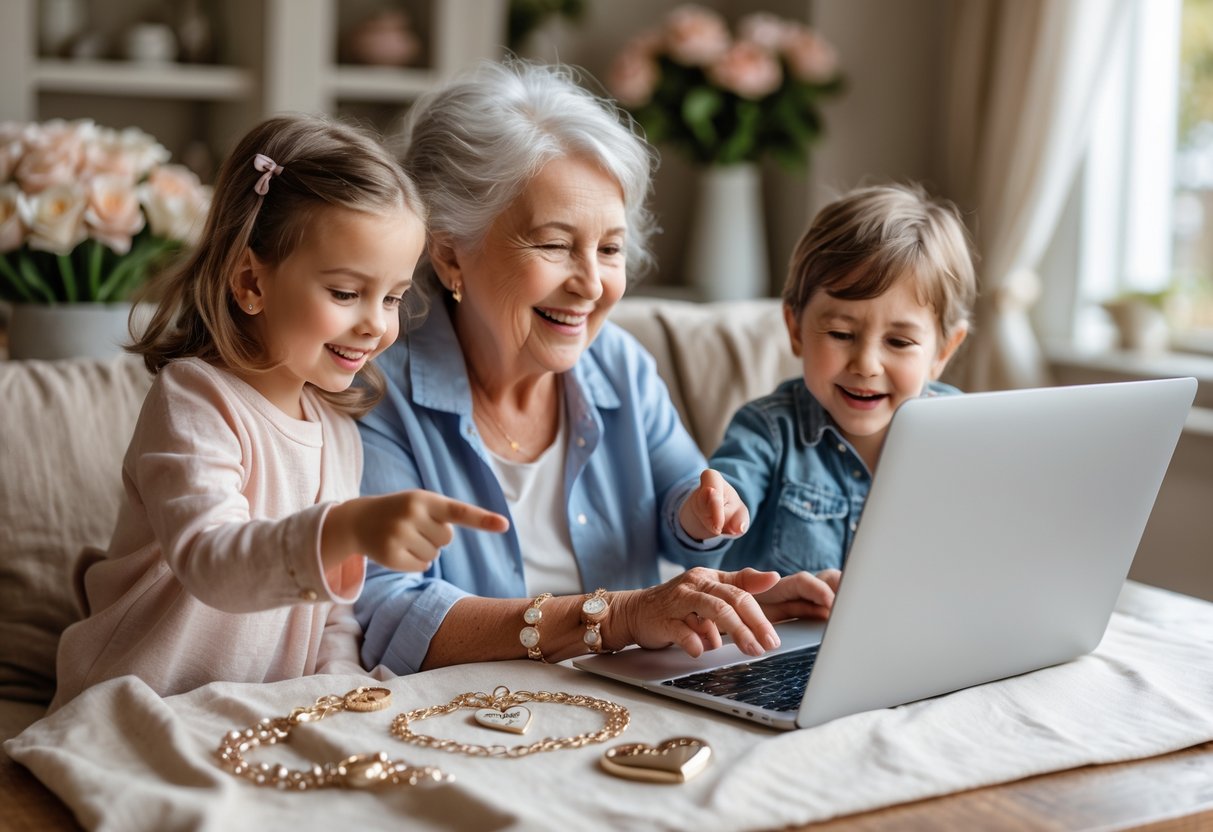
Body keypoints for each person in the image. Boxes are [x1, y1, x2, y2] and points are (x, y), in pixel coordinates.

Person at [355, 60, 839, 677]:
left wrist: (728, 588)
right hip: (469, 716)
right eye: (555, 245)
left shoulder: (620, 364)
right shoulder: (376, 388)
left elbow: (684, 516)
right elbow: (391, 612)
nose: (591, 284)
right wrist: (618, 617)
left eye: (609, 248)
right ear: (451, 251)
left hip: (628, 704)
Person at [49, 114, 507, 711]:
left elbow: (333, 616)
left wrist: (344, 690)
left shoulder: (339, 432)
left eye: (392, 297)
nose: (375, 323)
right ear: (250, 283)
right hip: (137, 698)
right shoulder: (195, 399)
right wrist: (348, 528)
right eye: (345, 292)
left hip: (252, 716)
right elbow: (212, 561)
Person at [673, 183, 977, 575]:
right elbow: (714, 524)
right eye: (840, 334)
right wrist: (708, 513)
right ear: (796, 330)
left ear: (943, 352)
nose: (866, 364)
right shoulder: (768, 431)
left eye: (899, 342)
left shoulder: (962, 429)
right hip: (789, 636)